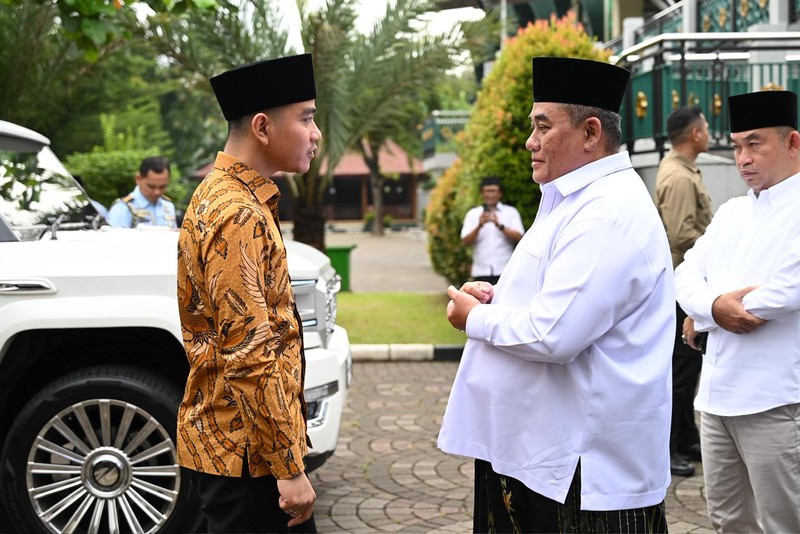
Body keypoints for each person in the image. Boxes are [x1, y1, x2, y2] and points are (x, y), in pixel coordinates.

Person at [439, 57, 674, 533]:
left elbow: (553, 333)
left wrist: (474, 320)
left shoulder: (606, 212)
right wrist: (495, 298)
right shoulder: (574, 201)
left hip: (581, 467)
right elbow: (556, 296)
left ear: (591, 133)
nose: (530, 141)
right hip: (538, 451)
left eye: (543, 127)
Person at [176, 54, 321, 533]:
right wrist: (289, 468)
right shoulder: (236, 213)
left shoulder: (224, 196)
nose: (316, 133)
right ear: (262, 126)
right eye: (307, 118)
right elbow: (251, 354)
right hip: (246, 461)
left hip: (235, 450)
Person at [675, 90, 800, 534]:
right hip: (715, 397)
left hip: (775, 399)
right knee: (727, 520)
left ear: (792, 143)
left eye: (755, 143)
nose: (742, 158)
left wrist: (703, 315)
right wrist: (711, 304)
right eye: (736, 146)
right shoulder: (730, 213)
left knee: (783, 522)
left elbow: (786, 293)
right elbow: (684, 274)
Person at [654, 106, 712, 477]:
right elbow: (680, 236)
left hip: (686, 283)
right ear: (694, 134)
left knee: (689, 367)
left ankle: (688, 437)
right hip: (681, 286)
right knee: (680, 370)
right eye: (705, 127)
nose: (708, 131)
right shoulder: (678, 177)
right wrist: (719, 245)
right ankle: (670, 447)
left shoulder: (682, 170)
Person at [460, 176, 524, 285]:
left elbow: (520, 238)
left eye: (493, 191)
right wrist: (479, 226)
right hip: (481, 270)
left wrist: (500, 226)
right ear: (482, 193)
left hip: (505, 269)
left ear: (500, 193)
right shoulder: (473, 214)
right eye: (487, 191)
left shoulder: (511, 212)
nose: (490, 194)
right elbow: (465, 241)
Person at [106, 156, 177, 228]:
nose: (157, 192)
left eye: (162, 187)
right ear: (138, 178)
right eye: (151, 186)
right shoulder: (122, 208)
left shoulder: (168, 206)